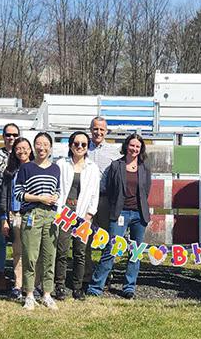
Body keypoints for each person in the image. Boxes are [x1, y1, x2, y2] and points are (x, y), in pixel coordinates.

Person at [88, 133, 152, 300]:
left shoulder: (144, 167)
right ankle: (96, 287)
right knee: (111, 249)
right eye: (132, 145)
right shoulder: (116, 165)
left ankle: (129, 287)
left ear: (141, 149)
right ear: (126, 146)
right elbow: (108, 189)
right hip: (120, 213)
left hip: (139, 215)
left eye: (138, 146)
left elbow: (146, 190)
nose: (134, 149)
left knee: (135, 252)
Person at [14, 132, 61, 310]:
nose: (42, 148)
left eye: (45, 144)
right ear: (34, 147)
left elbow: (57, 190)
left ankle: (47, 293)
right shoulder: (26, 168)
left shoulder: (55, 168)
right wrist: (40, 198)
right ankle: (29, 294)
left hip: (50, 216)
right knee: (30, 256)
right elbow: (18, 194)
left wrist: (54, 196)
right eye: (38, 144)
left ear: (50, 147)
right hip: (32, 215)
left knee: (50, 256)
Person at [53, 131, 100, 301]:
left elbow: (95, 193)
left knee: (80, 253)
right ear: (70, 145)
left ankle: (78, 287)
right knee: (62, 251)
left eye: (83, 144)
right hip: (64, 213)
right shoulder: (60, 164)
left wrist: (89, 214)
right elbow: (56, 188)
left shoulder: (92, 168)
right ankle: (59, 285)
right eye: (76, 143)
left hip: (83, 215)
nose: (79, 147)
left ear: (87, 147)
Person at [85, 117, 121, 281]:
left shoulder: (114, 152)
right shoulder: (82, 147)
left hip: (105, 199)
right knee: (84, 236)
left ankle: (104, 273)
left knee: (108, 237)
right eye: (95, 129)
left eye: (101, 129)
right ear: (90, 129)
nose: (98, 132)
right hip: (85, 200)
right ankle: (85, 273)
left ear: (106, 131)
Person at [0, 137, 34, 299]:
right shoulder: (10, 172)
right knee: (18, 252)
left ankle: (33, 285)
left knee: (33, 252)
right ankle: (18, 285)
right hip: (15, 214)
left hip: (33, 215)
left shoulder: (37, 168)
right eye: (18, 148)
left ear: (31, 150)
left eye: (25, 148)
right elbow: (5, 196)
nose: (22, 151)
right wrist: (4, 218)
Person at [0, 123, 21, 291]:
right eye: (8, 135)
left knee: (20, 240)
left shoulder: (23, 153)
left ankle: (19, 275)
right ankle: (0, 273)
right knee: (1, 238)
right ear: (3, 136)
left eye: (15, 135)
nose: (11, 138)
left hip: (20, 202)